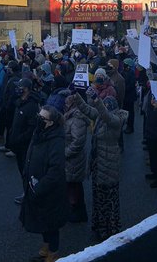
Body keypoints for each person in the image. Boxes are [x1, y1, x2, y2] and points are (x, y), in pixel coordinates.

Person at [20, 105, 69, 262]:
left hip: (49, 191)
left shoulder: (57, 140)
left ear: (51, 123)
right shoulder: (40, 132)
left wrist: (39, 187)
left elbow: (56, 170)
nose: (38, 120)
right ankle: (46, 245)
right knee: (42, 220)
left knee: (51, 223)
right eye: (38, 116)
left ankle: (53, 253)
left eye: (42, 118)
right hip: (36, 186)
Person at [90, 96, 127, 241]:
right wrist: (77, 96)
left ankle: (110, 229)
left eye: (106, 105)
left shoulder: (115, 121)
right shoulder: (101, 117)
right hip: (98, 163)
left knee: (108, 201)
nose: (103, 107)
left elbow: (105, 115)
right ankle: (99, 225)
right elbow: (88, 110)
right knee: (99, 198)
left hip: (109, 165)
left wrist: (96, 100)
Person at [63, 93, 92, 223]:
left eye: (67, 103)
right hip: (72, 158)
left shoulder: (76, 118)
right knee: (72, 185)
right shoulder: (71, 115)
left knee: (75, 186)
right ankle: (74, 211)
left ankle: (78, 214)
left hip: (74, 158)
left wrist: (65, 153)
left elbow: (78, 142)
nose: (65, 105)